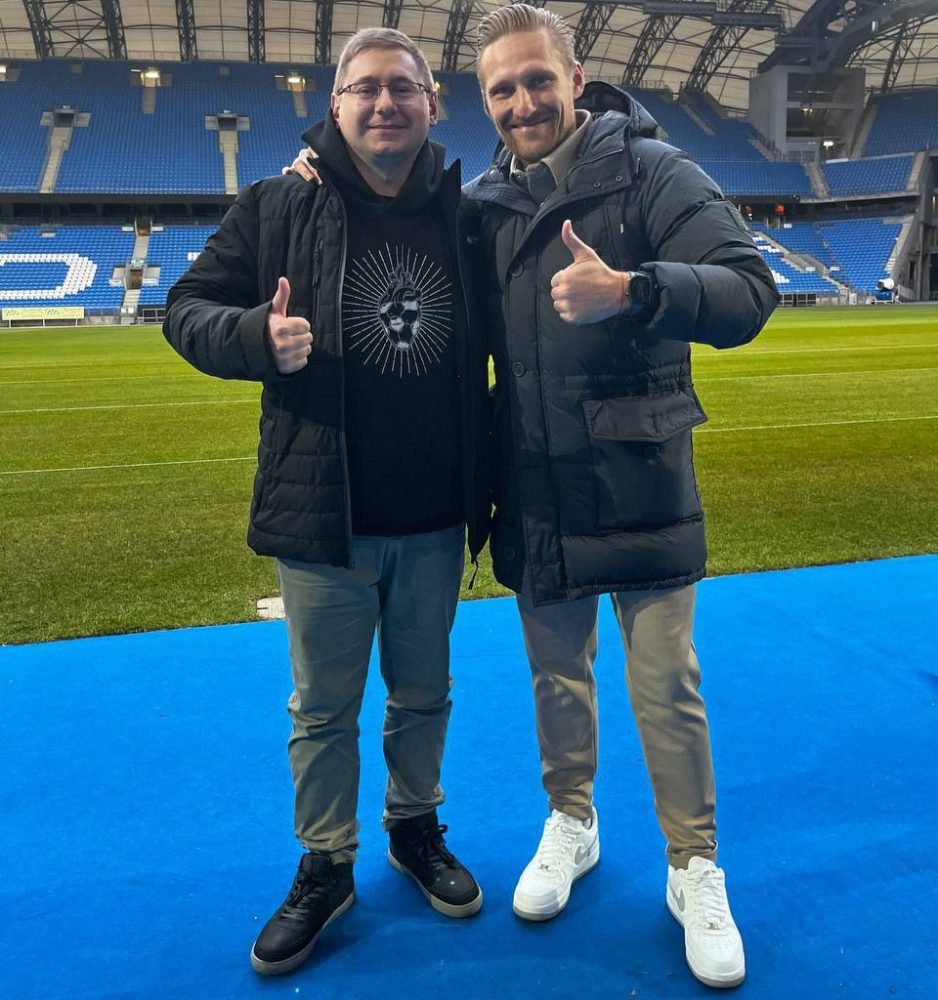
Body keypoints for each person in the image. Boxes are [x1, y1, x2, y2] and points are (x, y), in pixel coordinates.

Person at [287, 5, 778, 987]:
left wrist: (633, 288)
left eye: (536, 80)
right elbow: (393, 213)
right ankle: (571, 822)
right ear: (482, 102)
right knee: (557, 678)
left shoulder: (653, 170)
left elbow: (747, 291)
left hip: (641, 480)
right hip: (536, 483)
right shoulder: (485, 204)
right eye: (501, 89)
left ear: (575, 79)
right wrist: (321, 171)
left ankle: (693, 865)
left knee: (664, 685)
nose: (521, 102)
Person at [163, 27, 490, 977]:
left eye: (404, 87)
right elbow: (184, 308)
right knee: (323, 710)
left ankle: (415, 828)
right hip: (322, 518)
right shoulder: (277, 203)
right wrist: (254, 340)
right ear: (335, 103)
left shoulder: (467, 212)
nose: (385, 103)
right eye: (366, 88)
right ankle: (327, 863)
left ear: (431, 103)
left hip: (435, 514)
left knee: (424, 694)